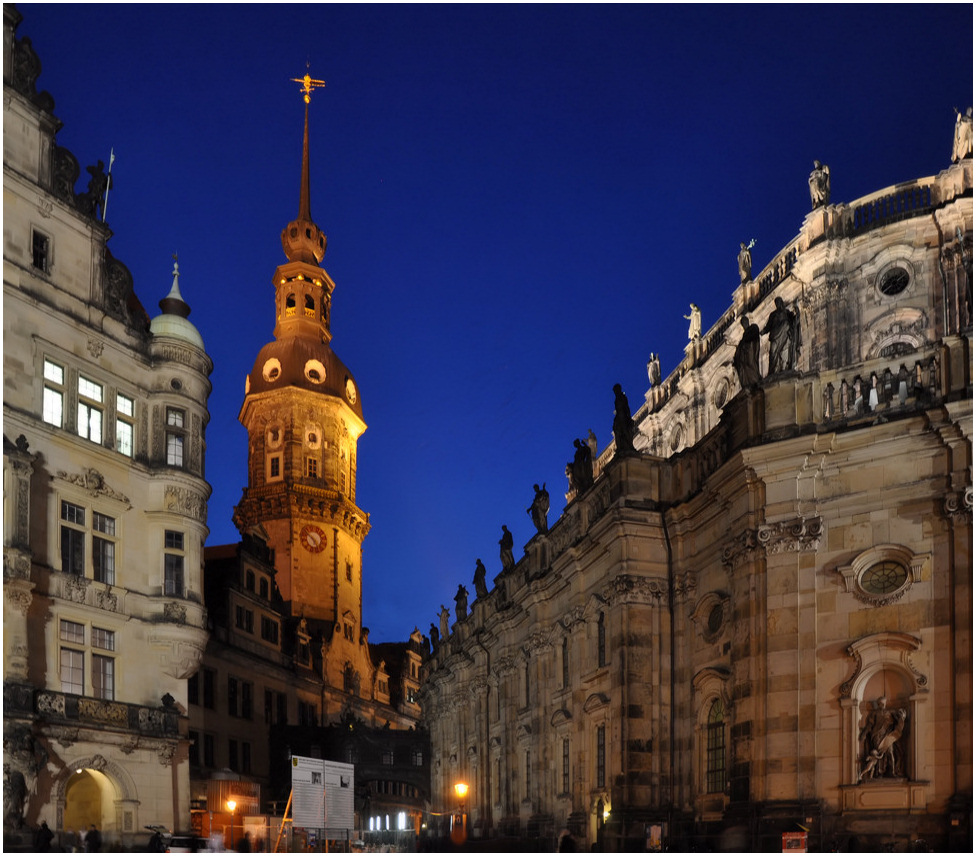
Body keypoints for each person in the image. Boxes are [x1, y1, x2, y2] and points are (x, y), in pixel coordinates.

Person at [763, 296, 800, 374]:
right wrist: (763, 331)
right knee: (772, 352)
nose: (778, 304)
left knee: (785, 351)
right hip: (775, 336)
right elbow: (768, 326)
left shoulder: (787, 313)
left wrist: (797, 312)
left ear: (781, 303)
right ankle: (773, 371)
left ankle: (784, 368)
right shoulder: (773, 315)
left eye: (779, 302)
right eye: (776, 303)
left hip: (785, 336)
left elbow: (794, 321)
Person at [733, 315, 762, 390]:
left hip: (750, 352)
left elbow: (754, 338)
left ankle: (755, 380)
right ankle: (748, 384)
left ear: (748, 321)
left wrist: (745, 345)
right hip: (744, 357)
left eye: (745, 322)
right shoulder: (743, 337)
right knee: (744, 368)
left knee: (751, 365)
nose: (744, 324)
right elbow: (739, 348)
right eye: (743, 323)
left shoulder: (753, 328)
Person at [612, 384, 635, 454]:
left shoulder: (622, 397)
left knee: (625, 430)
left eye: (616, 390)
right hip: (619, 416)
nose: (615, 392)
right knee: (617, 430)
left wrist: (628, 417)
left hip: (623, 415)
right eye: (614, 391)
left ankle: (629, 445)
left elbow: (626, 407)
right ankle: (620, 447)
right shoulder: (617, 398)